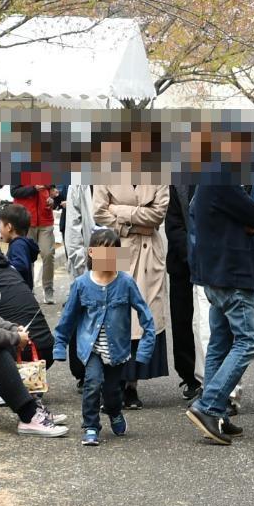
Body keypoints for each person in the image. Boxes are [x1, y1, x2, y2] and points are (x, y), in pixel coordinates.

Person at [185, 129, 254, 446]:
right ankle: (207, 405)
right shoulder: (223, 178)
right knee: (248, 341)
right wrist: (248, 222)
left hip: (213, 274)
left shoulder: (207, 179)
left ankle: (216, 409)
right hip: (232, 275)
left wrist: (246, 221)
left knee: (220, 340)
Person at [55, 227, 157, 446]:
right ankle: (90, 426)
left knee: (112, 392)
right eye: (103, 252)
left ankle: (114, 411)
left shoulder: (126, 283)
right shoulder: (82, 284)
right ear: (92, 253)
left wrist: (146, 350)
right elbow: (68, 317)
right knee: (92, 383)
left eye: (113, 253)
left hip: (117, 350)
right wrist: (59, 345)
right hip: (90, 349)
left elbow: (146, 316)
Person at [92, 134, 171, 407]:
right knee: (110, 311)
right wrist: (136, 219)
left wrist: (120, 212)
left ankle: (131, 385)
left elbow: (159, 214)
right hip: (113, 246)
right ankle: (108, 383)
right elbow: (99, 213)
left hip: (149, 249)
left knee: (143, 312)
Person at [166, 170, 201, 401]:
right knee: (182, 320)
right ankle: (189, 376)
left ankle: (212, 377)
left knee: (210, 323)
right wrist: (191, 254)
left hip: (213, 259)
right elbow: (173, 223)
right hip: (182, 260)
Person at [10, 149, 61, 301]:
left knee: (48, 253)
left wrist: (53, 199)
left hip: (45, 218)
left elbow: (53, 191)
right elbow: (14, 191)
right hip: (26, 220)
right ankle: (28, 289)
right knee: (27, 256)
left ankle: (48, 289)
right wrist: (33, 189)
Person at [0, 203, 40, 289]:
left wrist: (1, 261)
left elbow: (20, 266)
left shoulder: (18, 245)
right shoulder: (21, 243)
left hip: (18, 292)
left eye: (1, 225)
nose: (0, 229)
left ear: (9, 227)